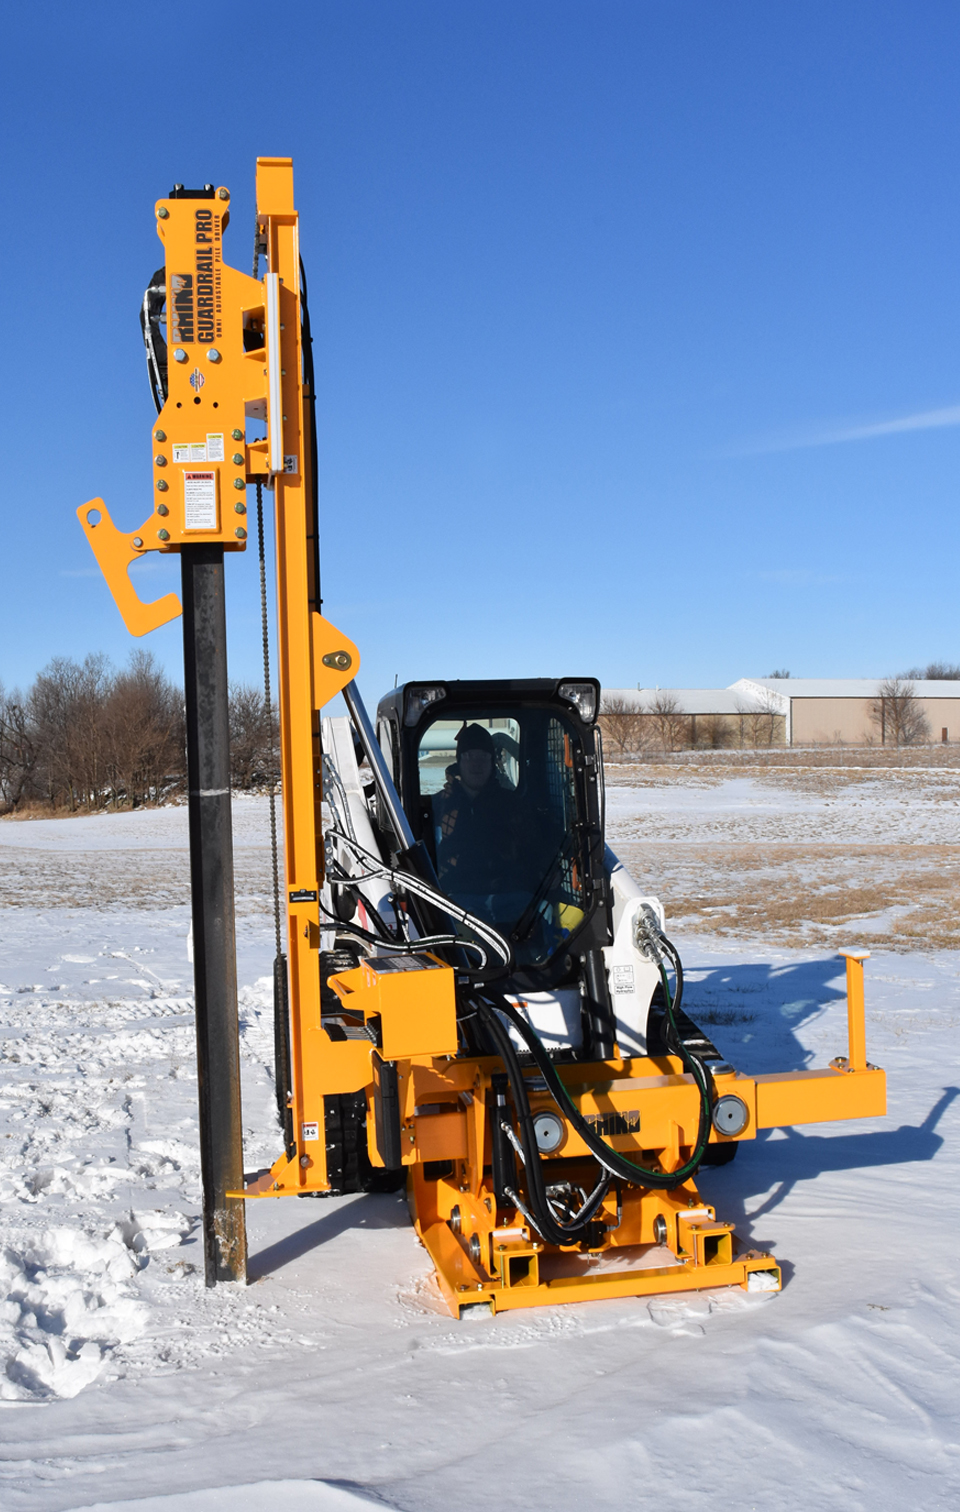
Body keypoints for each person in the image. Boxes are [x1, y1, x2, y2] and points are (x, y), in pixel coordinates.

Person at [432, 723, 521, 910]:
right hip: (451, 906)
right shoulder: (438, 806)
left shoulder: (512, 806)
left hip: (508, 904)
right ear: (459, 761)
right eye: (469, 756)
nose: (476, 763)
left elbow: (534, 851)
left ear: (492, 762)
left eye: (483, 756)